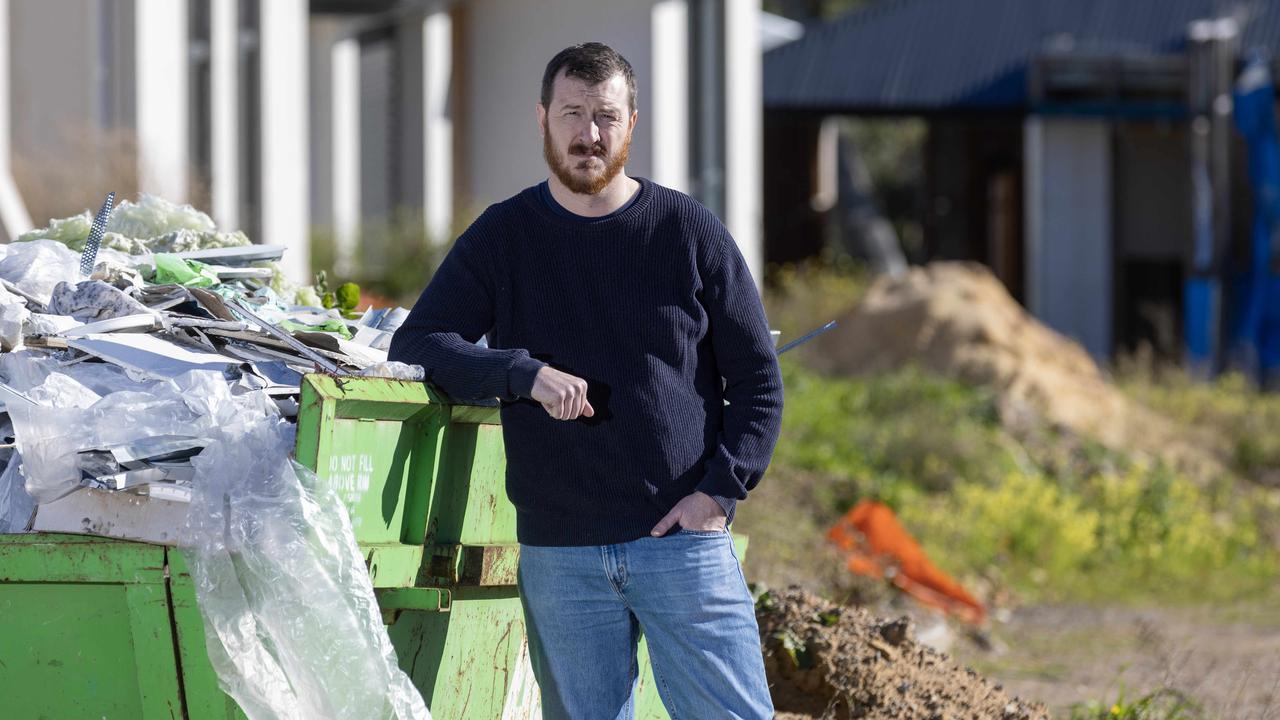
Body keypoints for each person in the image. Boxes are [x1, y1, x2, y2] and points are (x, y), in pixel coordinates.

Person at [388, 41, 783, 720]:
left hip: (681, 542)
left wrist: (718, 494)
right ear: (543, 119)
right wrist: (520, 373)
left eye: (606, 116)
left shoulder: (688, 232)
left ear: (633, 124)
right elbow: (418, 342)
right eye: (573, 113)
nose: (588, 134)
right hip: (560, 554)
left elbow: (758, 383)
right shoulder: (504, 236)